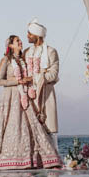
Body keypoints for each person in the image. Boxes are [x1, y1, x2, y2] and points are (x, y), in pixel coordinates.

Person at [0, 35, 62, 173]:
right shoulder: (6, 60)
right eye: (16, 41)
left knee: (29, 127)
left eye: (20, 40)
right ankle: (8, 159)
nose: (20, 42)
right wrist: (17, 81)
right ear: (10, 46)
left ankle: (31, 158)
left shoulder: (22, 60)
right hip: (11, 97)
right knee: (12, 126)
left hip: (23, 95)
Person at [24, 18, 60, 151]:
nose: (27, 36)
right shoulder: (27, 52)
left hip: (46, 95)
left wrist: (34, 78)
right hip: (30, 96)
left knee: (49, 131)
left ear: (37, 35)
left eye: (29, 33)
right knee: (30, 131)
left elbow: (53, 75)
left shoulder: (51, 52)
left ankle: (53, 162)